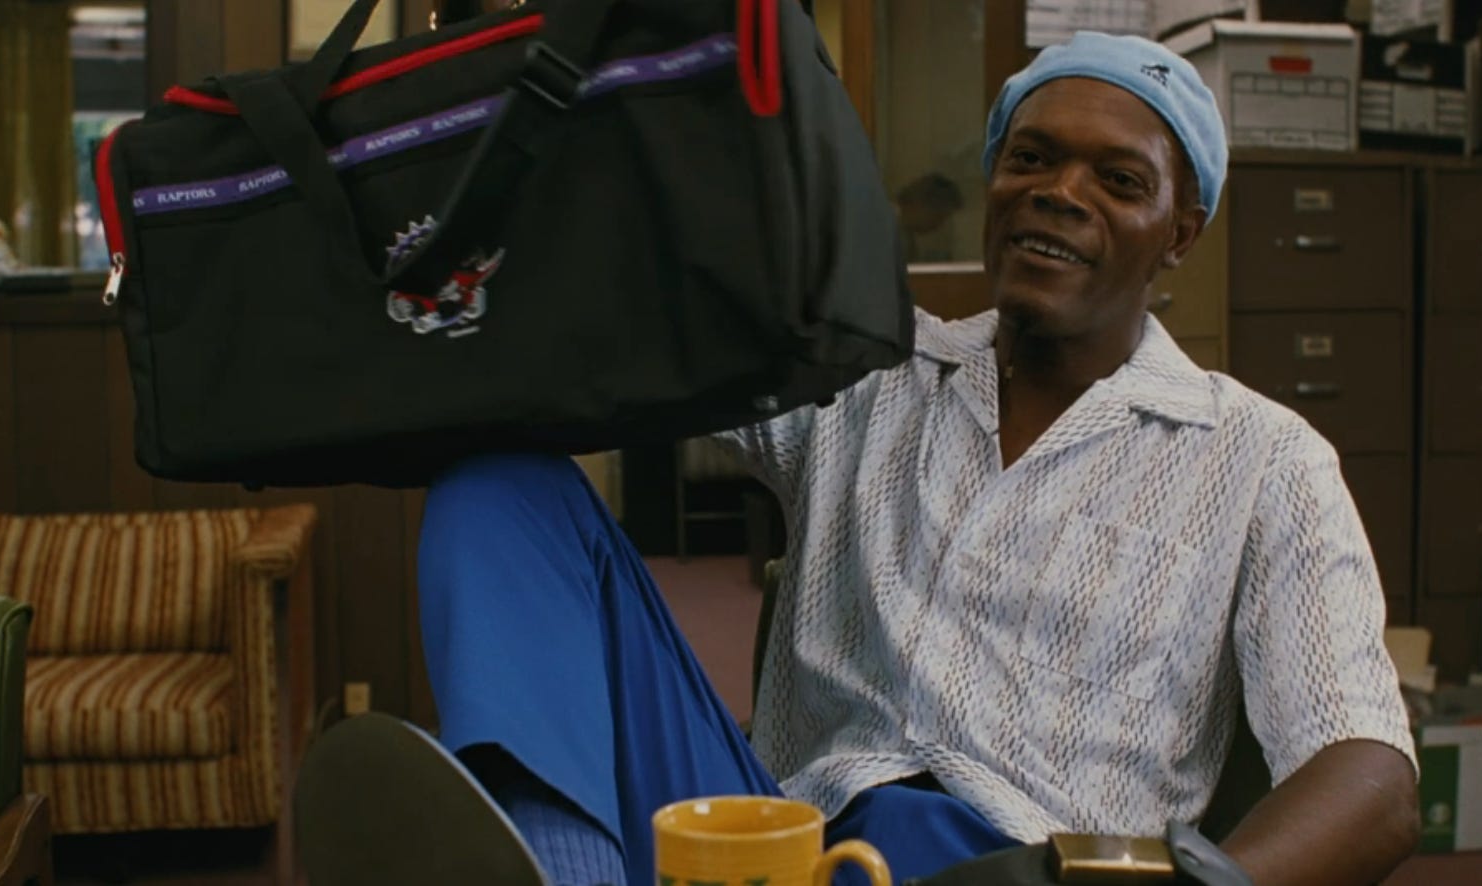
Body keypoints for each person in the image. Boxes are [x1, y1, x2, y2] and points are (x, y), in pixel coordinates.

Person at [298, 31, 1420, 886]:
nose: (1058, 192)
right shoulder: (870, 365)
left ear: (1179, 232)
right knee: (503, 486)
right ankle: (559, 865)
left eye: (1118, 181)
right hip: (775, 835)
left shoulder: (1262, 458)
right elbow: (647, 340)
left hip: (1022, 864)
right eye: (1030, 158)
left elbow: (1369, 774)